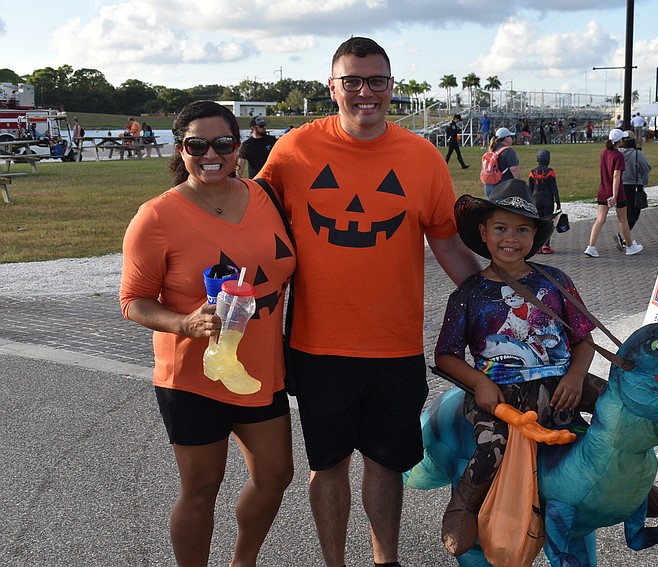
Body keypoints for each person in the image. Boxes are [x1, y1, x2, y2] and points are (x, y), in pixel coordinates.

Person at [257, 36, 481, 567]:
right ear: (331, 88)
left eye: (376, 81)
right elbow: (254, 218)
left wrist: (495, 299)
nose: (365, 92)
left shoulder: (420, 156)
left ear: (392, 88)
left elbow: (446, 240)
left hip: (393, 342)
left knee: (386, 462)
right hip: (317, 342)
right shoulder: (294, 151)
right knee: (328, 463)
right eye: (352, 82)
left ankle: (386, 561)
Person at [119, 100, 296, 566]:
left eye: (223, 143)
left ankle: (244, 561)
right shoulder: (157, 217)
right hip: (193, 375)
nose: (210, 154)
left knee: (276, 475)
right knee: (200, 489)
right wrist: (184, 323)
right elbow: (133, 300)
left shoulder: (265, 198)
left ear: (239, 147)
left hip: (259, 370)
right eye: (197, 145)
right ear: (180, 150)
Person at [434, 178, 596, 557]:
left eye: (522, 229)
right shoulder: (468, 294)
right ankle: (464, 506)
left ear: (534, 235)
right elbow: (446, 354)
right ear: (484, 233)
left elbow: (584, 339)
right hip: (500, 392)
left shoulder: (556, 281)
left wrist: (575, 376)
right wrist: (478, 383)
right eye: (501, 228)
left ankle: (637, 492)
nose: (511, 238)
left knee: (617, 406)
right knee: (491, 447)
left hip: (560, 384)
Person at [584, 129, 643, 257]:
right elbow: (616, 176)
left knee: (600, 219)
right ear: (620, 141)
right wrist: (615, 196)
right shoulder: (618, 156)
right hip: (617, 192)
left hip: (603, 190)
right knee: (623, 220)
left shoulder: (604, 153)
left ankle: (591, 246)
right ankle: (630, 246)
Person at [619, 133, 652, 248]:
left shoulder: (618, 153)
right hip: (634, 185)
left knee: (624, 214)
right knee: (634, 213)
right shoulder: (637, 154)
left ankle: (624, 238)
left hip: (620, 185)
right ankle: (622, 236)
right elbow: (647, 168)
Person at [527, 149, 561, 254]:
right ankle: (546, 246)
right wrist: (558, 202)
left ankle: (537, 247)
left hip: (536, 198)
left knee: (537, 223)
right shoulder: (550, 171)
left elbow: (530, 189)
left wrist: (529, 202)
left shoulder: (532, 172)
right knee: (547, 223)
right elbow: (554, 188)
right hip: (548, 199)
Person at [484, 127, 520, 197]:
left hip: (488, 186)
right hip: (503, 186)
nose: (512, 139)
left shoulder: (492, 150)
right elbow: (514, 169)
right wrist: (519, 184)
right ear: (506, 139)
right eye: (510, 137)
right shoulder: (508, 151)